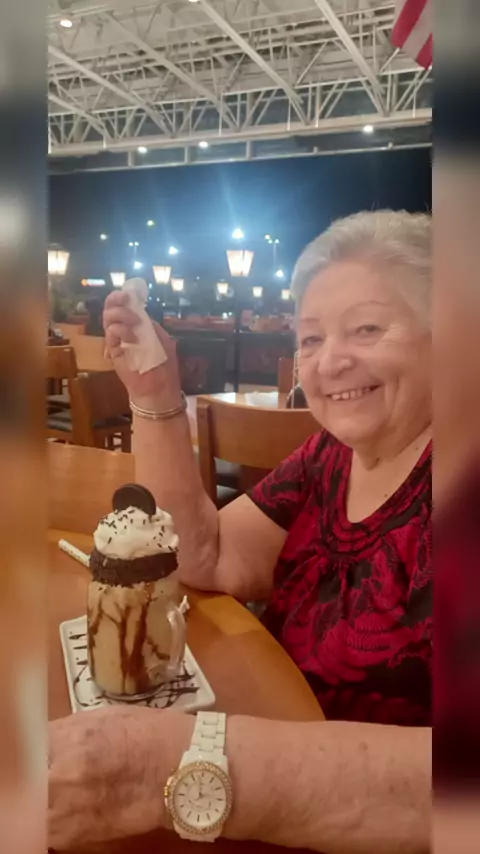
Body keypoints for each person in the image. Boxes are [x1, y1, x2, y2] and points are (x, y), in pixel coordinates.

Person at [49, 210, 432, 852]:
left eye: (366, 328)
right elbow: (207, 554)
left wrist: (175, 767)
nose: (331, 361)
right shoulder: (330, 457)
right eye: (310, 338)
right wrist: (156, 392)